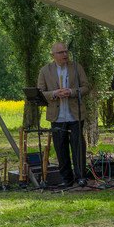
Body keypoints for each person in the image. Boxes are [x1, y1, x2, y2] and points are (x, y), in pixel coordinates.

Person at [37, 41, 90, 189]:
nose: (65, 55)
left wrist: (72, 92)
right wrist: (54, 93)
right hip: (57, 116)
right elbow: (40, 92)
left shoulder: (76, 67)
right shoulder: (45, 71)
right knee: (61, 148)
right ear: (53, 55)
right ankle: (67, 178)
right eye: (61, 53)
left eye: (66, 52)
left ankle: (81, 177)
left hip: (75, 115)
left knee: (78, 147)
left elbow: (86, 87)